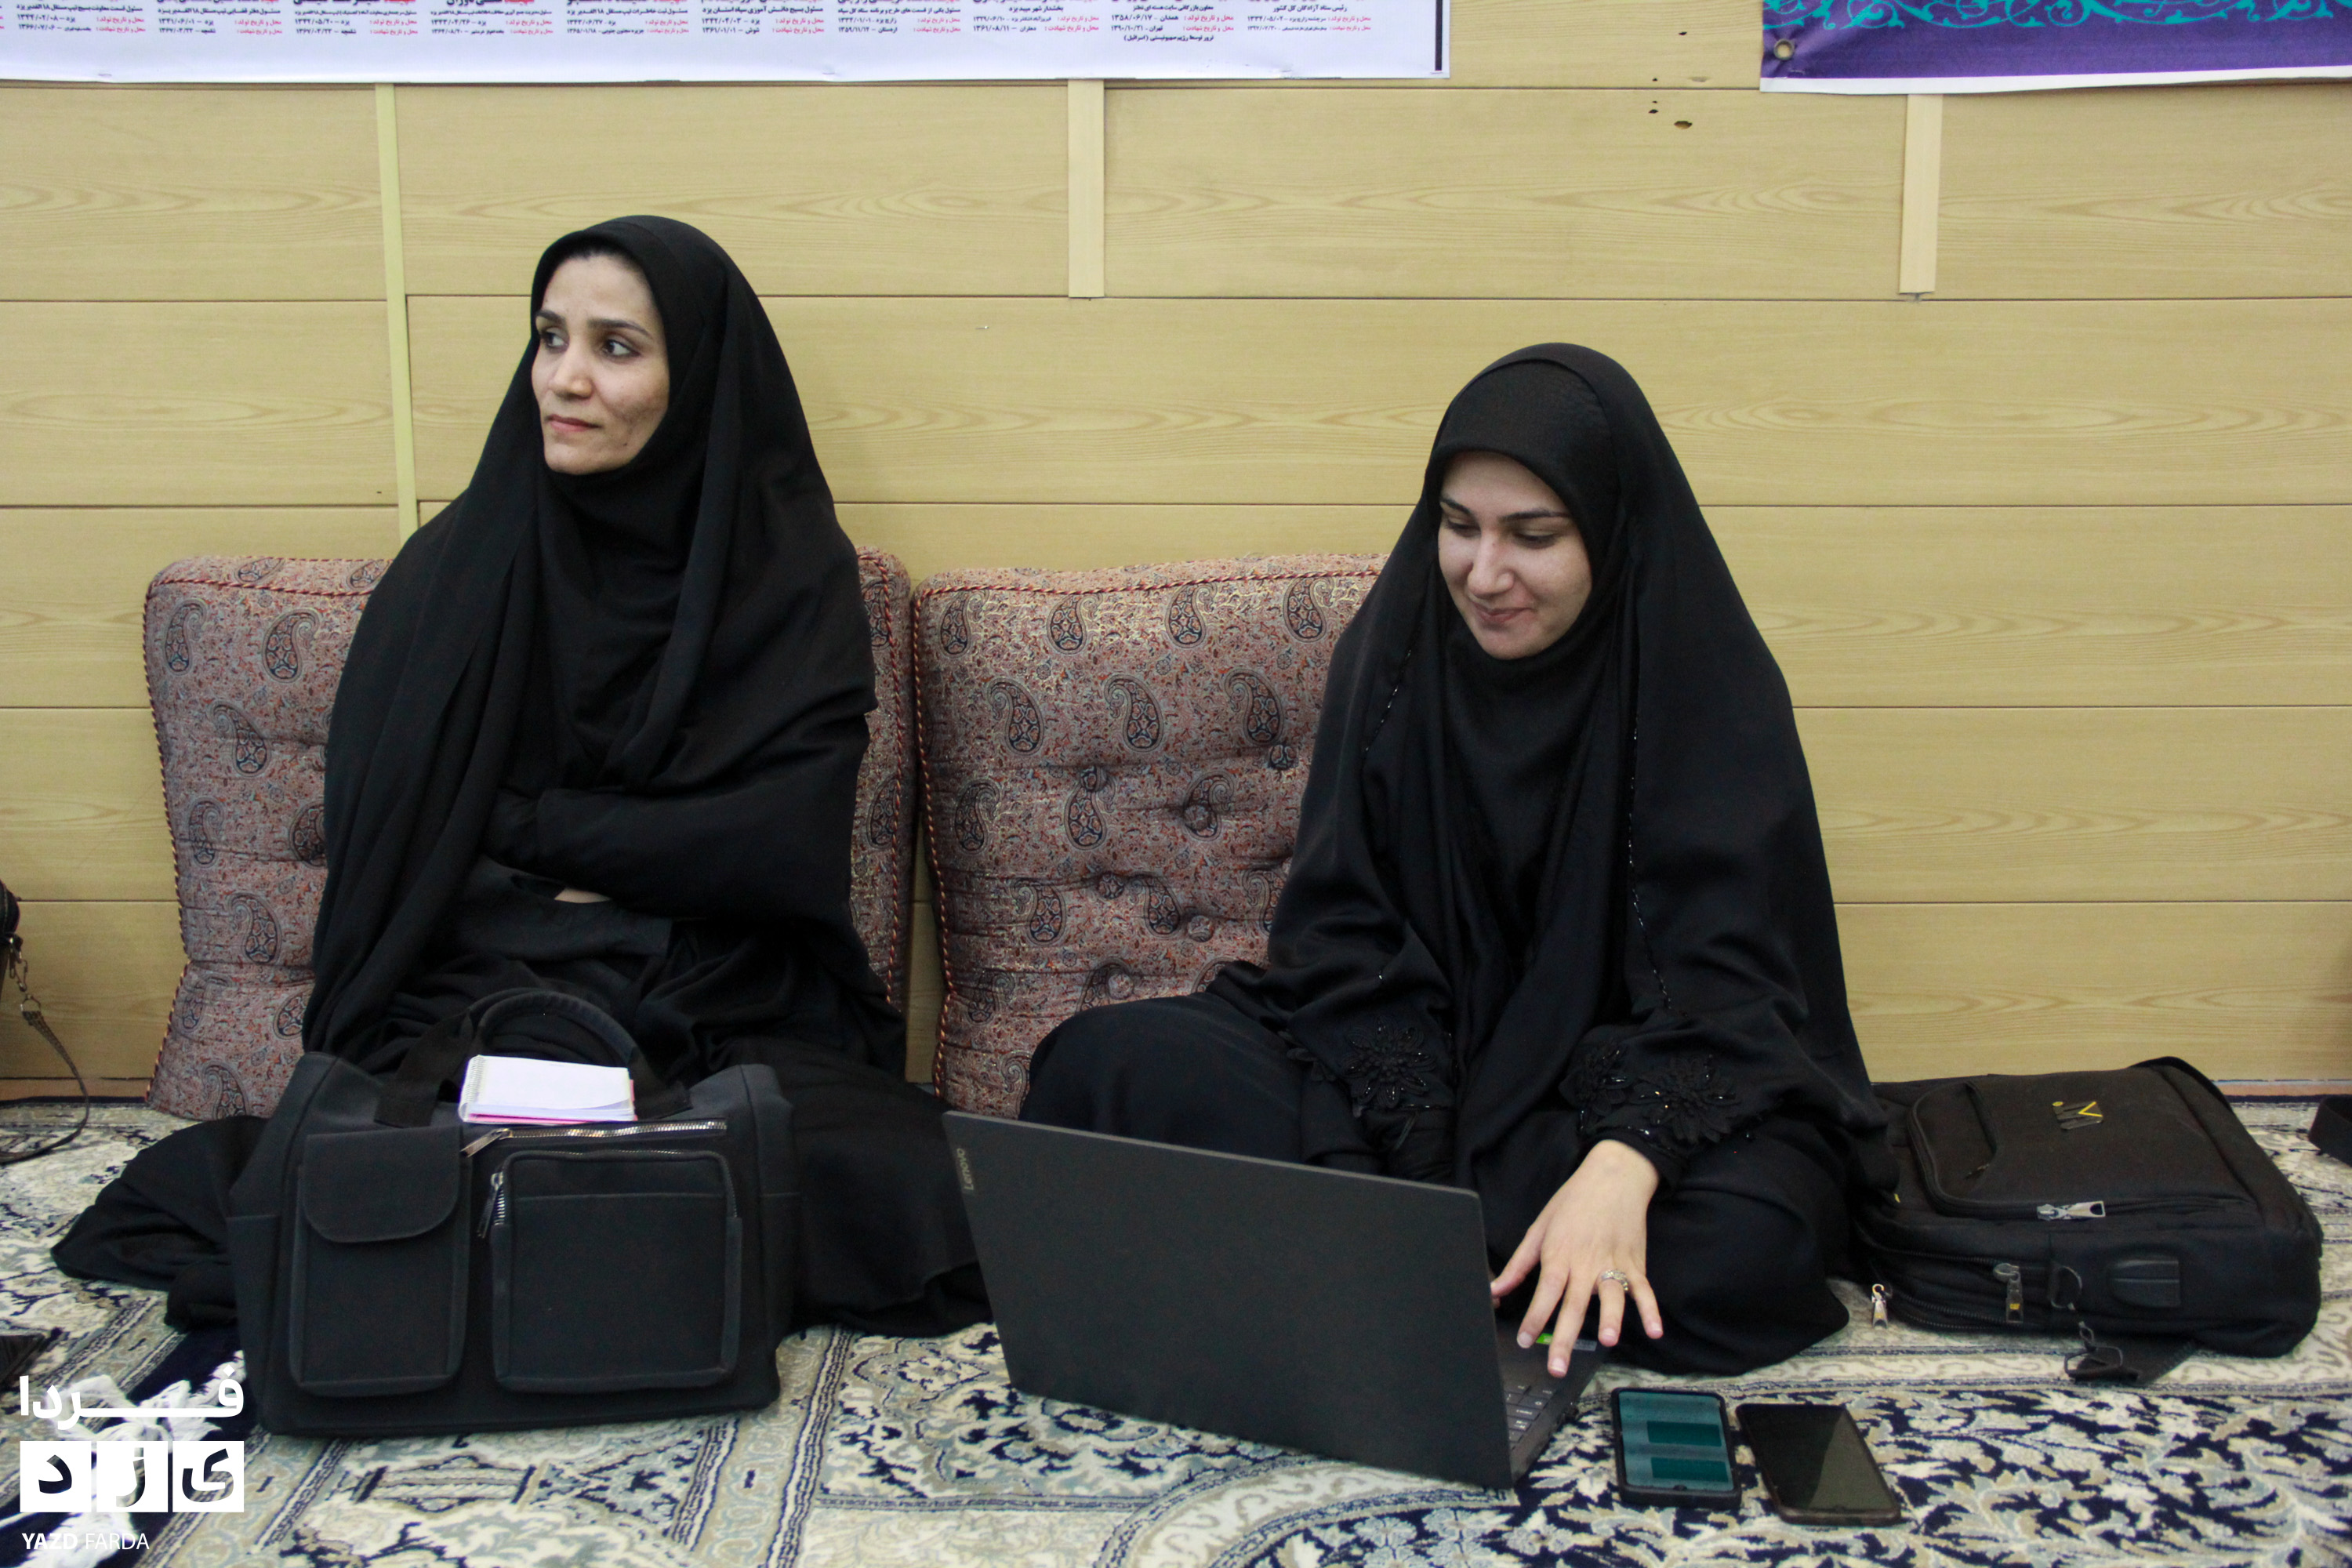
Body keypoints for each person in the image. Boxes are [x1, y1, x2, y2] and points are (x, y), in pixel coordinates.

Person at [60, 217, 984, 1336]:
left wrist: (532, 825)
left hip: (730, 995)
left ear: (699, 378)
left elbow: (777, 849)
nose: (565, 378)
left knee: (903, 1185)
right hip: (497, 992)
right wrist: (647, 854)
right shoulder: (459, 573)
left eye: (616, 346)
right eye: (550, 338)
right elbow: (402, 844)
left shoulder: (789, 577)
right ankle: (608, 1235)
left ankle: (540, 1241)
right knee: (505, 1126)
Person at [1021, 344, 1894, 1376]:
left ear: (1611, 530)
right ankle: (1455, 1261)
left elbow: (1734, 993)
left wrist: (1627, 1164)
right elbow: (1344, 939)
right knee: (1103, 1068)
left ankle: (1381, 1261)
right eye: (1458, 525)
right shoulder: (1398, 657)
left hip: (1604, 1102)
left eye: (1534, 536)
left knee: (1749, 1247)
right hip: (1414, 1072)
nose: (1484, 576)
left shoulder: (1703, 688)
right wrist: (1420, 1150)